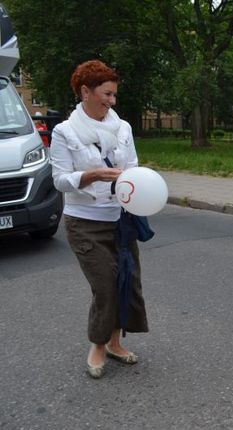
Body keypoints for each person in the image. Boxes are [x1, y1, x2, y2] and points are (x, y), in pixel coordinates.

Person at [50, 60, 148, 378]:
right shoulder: (64, 132)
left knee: (126, 282)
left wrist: (135, 182)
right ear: (85, 91)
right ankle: (97, 343)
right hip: (84, 222)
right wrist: (90, 176)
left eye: (114, 95)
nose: (112, 101)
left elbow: (132, 165)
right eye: (106, 94)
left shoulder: (123, 128)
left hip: (120, 218)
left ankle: (115, 343)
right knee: (105, 285)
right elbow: (60, 180)